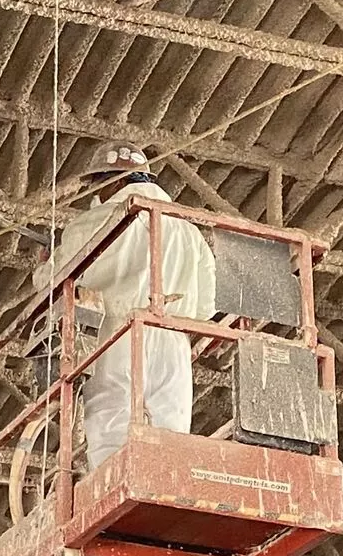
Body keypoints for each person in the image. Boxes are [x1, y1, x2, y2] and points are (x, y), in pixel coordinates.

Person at [40, 144, 216, 469]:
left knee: (111, 413)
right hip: (173, 337)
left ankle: (112, 485)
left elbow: (54, 282)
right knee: (171, 422)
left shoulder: (96, 220)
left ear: (114, 181)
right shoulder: (190, 231)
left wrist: (45, 264)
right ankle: (167, 486)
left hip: (117, 332)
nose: (98, 193)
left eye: (99, 184)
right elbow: (206, 304)